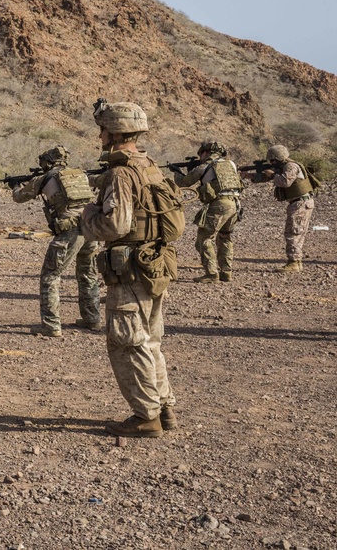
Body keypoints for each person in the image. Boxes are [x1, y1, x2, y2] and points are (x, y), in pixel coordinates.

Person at [81, 101, 180, 438]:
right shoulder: (149, 166)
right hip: (154, 265)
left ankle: (146, 416)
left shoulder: (121, 172)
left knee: (127, 342)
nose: (100, 134)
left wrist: (88, 216)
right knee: (150, 341)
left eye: (103, 128)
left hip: (131, 270)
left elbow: (115, 225)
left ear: (115, 131)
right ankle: (164, 407)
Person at [11, 146, 101, 335]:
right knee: (88, 274)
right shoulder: (79, 174)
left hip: (69, 232)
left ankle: (51, 325)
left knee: (50, 276)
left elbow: (19, 198)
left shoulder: (43, 178)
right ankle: (92, 318)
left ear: (48, 162)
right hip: (91, 229)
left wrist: (15, 185)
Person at [173, 141, 243, 282]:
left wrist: (176, 172)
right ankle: (226, 272)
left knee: (204, 238)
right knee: (225, 237)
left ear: (205, 152)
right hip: (236, 204)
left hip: (219, 205)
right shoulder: (231, 164)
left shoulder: (204, 167)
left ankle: (211, 274)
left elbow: (183, 183)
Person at [241, 144, 316, 272]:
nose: (271, 162)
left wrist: (272, 175)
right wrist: (248, 175)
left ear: (279, 158)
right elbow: (265, 178)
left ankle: (294, 262)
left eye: (273, 160)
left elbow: (285, 182)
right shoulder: (283, 167)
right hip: (298, 202)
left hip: (301, 203)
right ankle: (295, 262)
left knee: (293, 232)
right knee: (294, 231)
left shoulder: (291, 166)